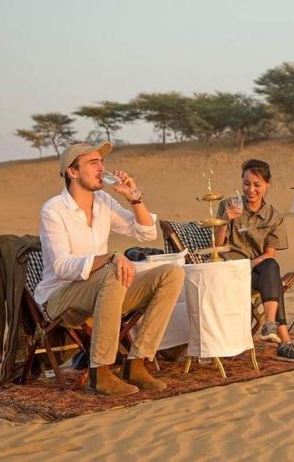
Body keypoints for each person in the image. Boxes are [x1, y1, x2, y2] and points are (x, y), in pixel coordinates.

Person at [37, 142, 185, 396]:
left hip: (106, 291)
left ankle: (136, 363)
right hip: (62, 296)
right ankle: (100, 372)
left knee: (172, 274)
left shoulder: (103, 201)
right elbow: (62, 267)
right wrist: (110, 258)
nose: (101, 168)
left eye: (101, 162)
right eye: (93, 163)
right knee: (113, 272)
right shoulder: (54, 210)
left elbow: (146, 232)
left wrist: (134, 198)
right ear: (72, 172)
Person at [215, 159, 294, 362]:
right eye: (246, 183)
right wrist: (225, 220)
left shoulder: (274, 217)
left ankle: (270, 326)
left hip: (256, 271)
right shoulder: (227, 205)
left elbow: (270, 253)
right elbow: (217, 246)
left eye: (257, 184)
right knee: (274, 278)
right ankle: (283, 340)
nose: (251, 189)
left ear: (267, 184)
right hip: (230, 272)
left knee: (271, 267)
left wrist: (250, 264)